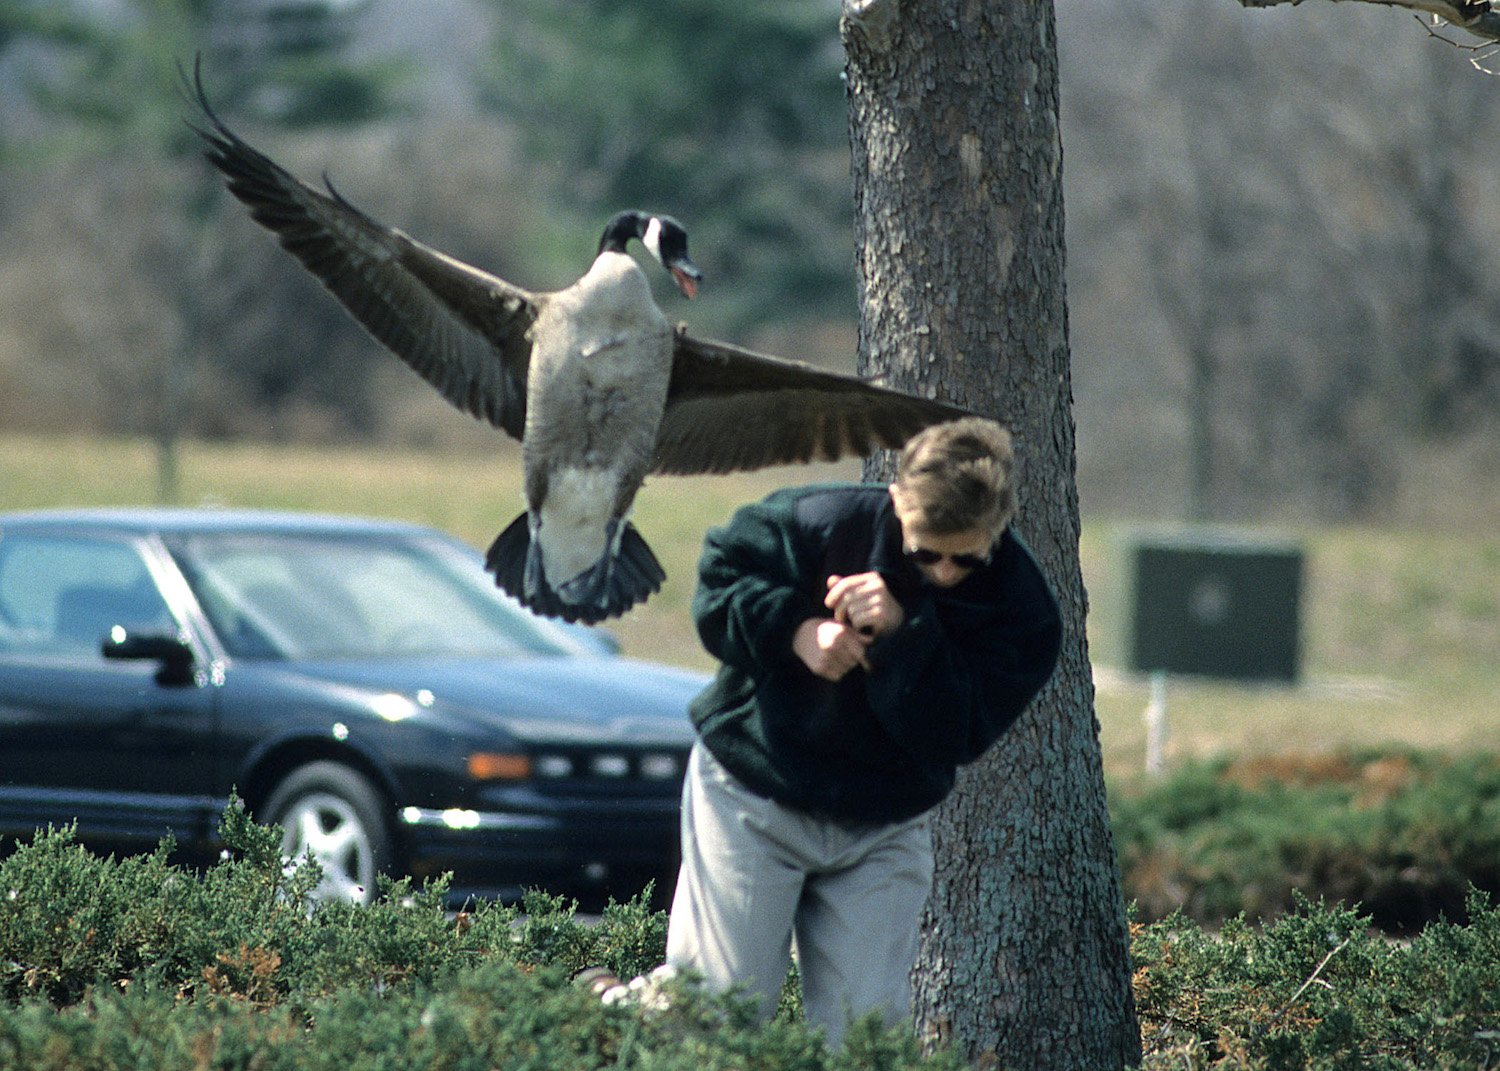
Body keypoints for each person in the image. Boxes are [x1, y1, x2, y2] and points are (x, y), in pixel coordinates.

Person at [664, 416, 1063, 1045]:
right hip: (753, 792)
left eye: (968, 557)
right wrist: (795, 632)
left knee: (864, 1037)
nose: (945, 572)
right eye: (925, 552)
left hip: (884, 825)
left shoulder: (1023, 611)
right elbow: (716, 585)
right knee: (717, 1016)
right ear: (896, 499)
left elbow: (955, 734)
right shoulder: (819, 520)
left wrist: (904, 638)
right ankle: (619, 1005)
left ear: (1001, 525)